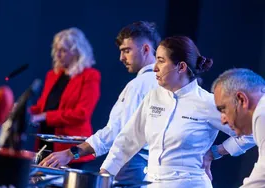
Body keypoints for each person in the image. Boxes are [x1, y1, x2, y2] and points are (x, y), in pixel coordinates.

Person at [99, 36, 255, 187]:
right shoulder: (153, 96)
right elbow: (129, 139)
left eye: (161, 60)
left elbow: (251, 132)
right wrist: (105, 173)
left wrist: (217, 151)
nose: (154, 68)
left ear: (181, 67)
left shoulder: (208, 102)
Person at [39, 21, 161, 182]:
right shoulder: (167, 85)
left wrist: (70, 153)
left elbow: (113, 133)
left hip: (132, 167)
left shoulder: (138, 86)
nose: (121, 58)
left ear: (145, 49)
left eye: (127, 51)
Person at [29, 27, 101, 168]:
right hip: (45, 143)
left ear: (76, 52)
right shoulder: (53, 74)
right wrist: (24, 111)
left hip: (69, 148)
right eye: (56, 50)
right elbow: (42, 106)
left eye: (63, 50)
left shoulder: (90, 75)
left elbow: (82, 113)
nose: (58, 55)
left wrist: (45, 116)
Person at [212, 68, 265, 187]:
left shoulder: (262, 113)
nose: (223, 120)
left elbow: (262, 179)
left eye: (223, 109)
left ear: (241, 99)